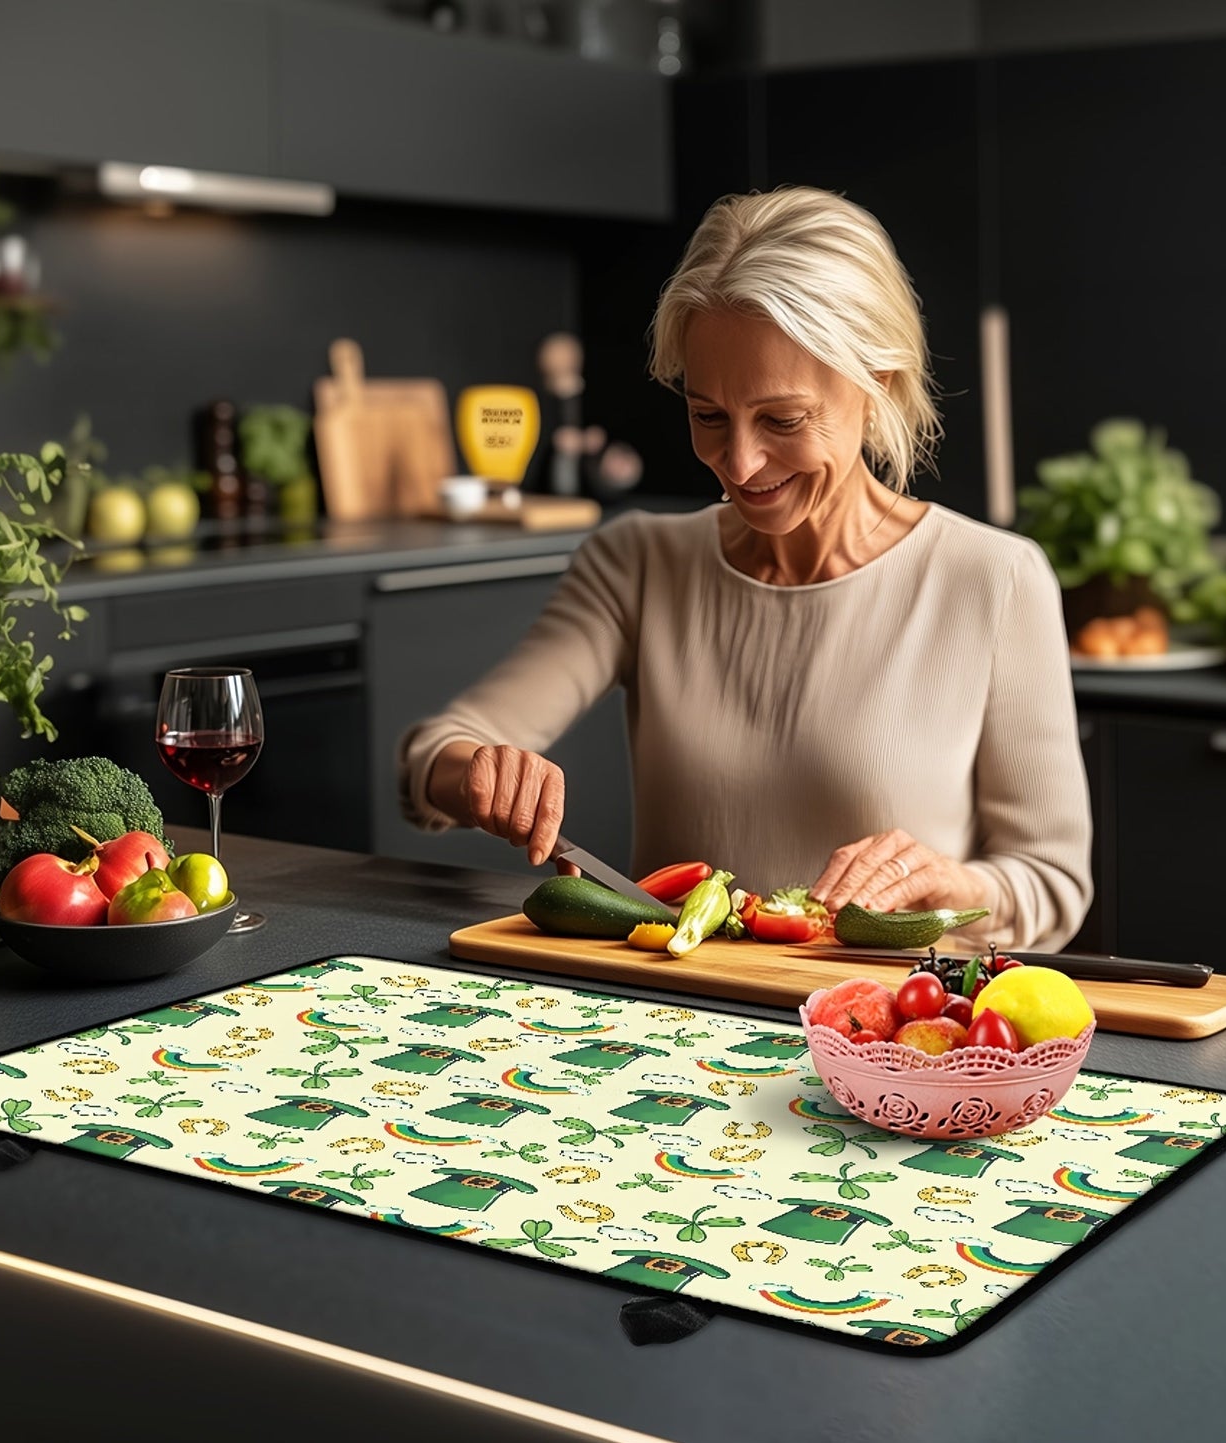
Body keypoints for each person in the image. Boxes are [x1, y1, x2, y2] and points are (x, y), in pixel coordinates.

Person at [398, 187, 1092, 951]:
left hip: (882, 1033)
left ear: (877, 388)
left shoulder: (993, 581)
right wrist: (478, 774)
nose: (738, 462)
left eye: (782, 420)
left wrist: (958, 886)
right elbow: (436, 753)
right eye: (707, 416)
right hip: (670, 1022)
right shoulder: (639, 562)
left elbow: (1053, 884)